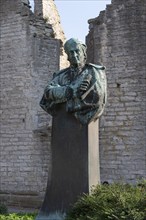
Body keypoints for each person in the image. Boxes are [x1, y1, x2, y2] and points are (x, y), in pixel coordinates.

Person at [40, 38, 107, 125]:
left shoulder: (95, 72)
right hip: (63, 125)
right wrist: (70, 91)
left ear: (83, 53)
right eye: (71, 52)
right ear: (67, 56)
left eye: (77, 51)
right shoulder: (60, 75)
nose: (74, 55)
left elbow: (96, 99)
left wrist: (61, 99)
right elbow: (47, 95)